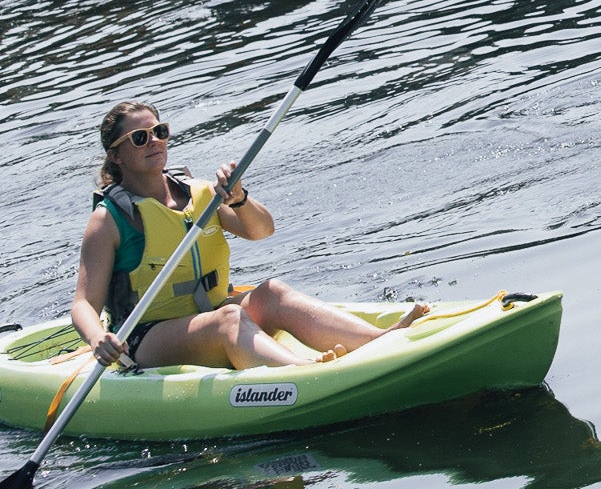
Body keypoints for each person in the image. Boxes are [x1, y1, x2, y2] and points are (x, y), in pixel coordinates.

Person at [72, 100, 429, 372]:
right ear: (116, 155)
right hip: (147, 338)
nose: (154, 142)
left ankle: (381, 341)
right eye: (140, 138)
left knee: (272, 292)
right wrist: (96, 338)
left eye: (159, 132)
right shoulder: (109, 221)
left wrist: (239, 198)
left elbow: (261, 230)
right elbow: (84, 304)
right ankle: (299, 373)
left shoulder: (200, 193)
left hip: (213, 315)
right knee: (228, 320)